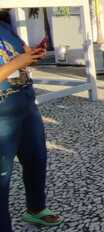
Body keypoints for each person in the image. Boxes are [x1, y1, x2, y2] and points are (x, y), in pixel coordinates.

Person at [0, 21, 62, 231]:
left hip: (26, 106)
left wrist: (33, 54)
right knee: (2, 178)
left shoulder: (5, 26)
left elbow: (23, 55)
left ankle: (35, 210)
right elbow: (17, 62)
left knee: (37, 159)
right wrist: (19, 61)